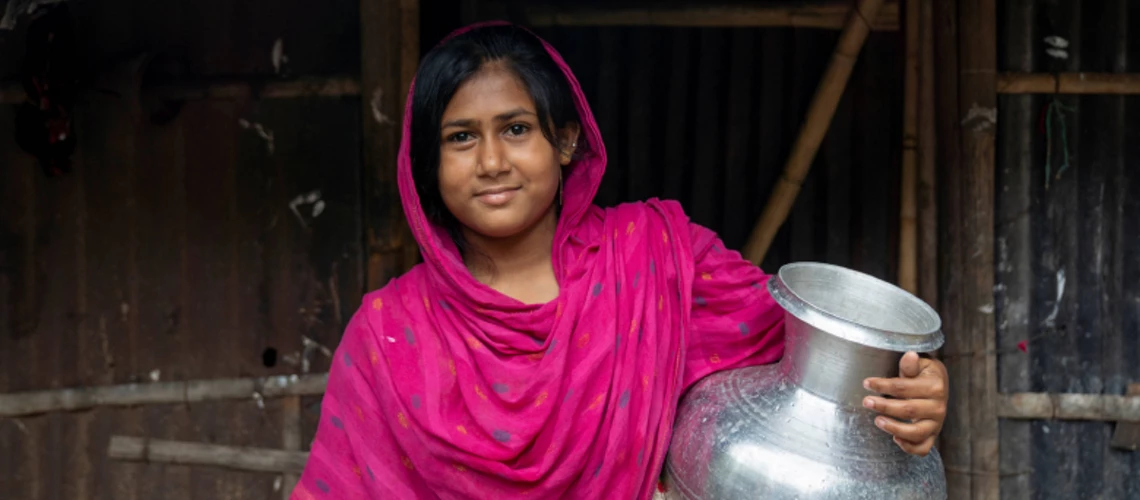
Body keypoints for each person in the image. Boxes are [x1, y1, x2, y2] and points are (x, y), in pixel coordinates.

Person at [291, 22, 950, 499]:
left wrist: (909, 396)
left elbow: (816, 370)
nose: (491, 162)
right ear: (427, 166)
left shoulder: (659, 260)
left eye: (516, 129)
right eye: (461, 138)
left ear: (567, 139)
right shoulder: (387, 333)